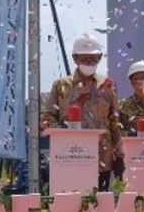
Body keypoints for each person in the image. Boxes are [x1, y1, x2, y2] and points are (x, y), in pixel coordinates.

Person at [42, 33, 123, 191]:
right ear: (75, 58)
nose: (89, 62)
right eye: (84, 58)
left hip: (102, 159)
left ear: (100, 58)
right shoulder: (61, 86)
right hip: (70, 158)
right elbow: (47, 117)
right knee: (70, 206)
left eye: (93, 58)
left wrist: (119, 154)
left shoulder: (108, 85)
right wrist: (65, 133)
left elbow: (114, 122)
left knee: (100, 206)